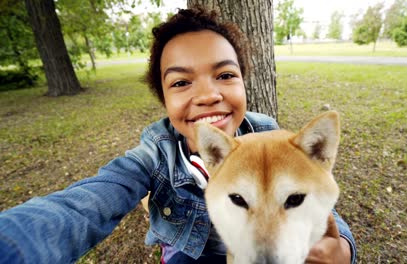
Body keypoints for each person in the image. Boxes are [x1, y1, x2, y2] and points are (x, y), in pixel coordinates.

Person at [0, 7, 356, 264]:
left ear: (244, 82)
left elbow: (320, 204)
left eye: (225, 75)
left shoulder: (271, 137)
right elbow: (84, 205)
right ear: (164, 98)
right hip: (188, 251)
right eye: (182, 82)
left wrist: (342, 248)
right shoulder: (153, 156)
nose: (207, 95)